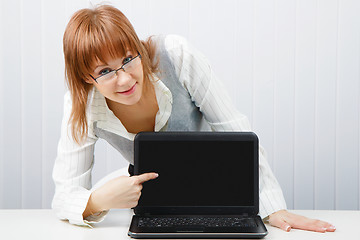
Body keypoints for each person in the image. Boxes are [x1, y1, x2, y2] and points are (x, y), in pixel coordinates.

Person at [52, 4, 336, 233]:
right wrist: (98, 200)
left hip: (217, 197)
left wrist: (273, 207)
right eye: (105, 71)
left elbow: (237, 132)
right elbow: (64, 193)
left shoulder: (176, 55)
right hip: (157, 209)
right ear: (86, 78)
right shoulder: (82, 105)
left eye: (128, 58)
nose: (124, 78)